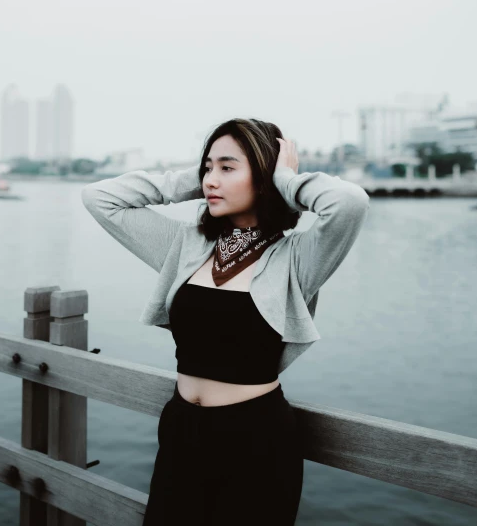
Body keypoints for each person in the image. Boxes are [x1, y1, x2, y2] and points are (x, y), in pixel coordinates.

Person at [81, 118, 370, 525]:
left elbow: (350, 203)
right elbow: (99, 198)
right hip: (181, 429)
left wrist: (286, 179)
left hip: (257, 439)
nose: (211, 180)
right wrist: (192, 178)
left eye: (228, 168)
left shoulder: (298, 259)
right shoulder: (185, 246)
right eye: (208, 167)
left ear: (265, 176)